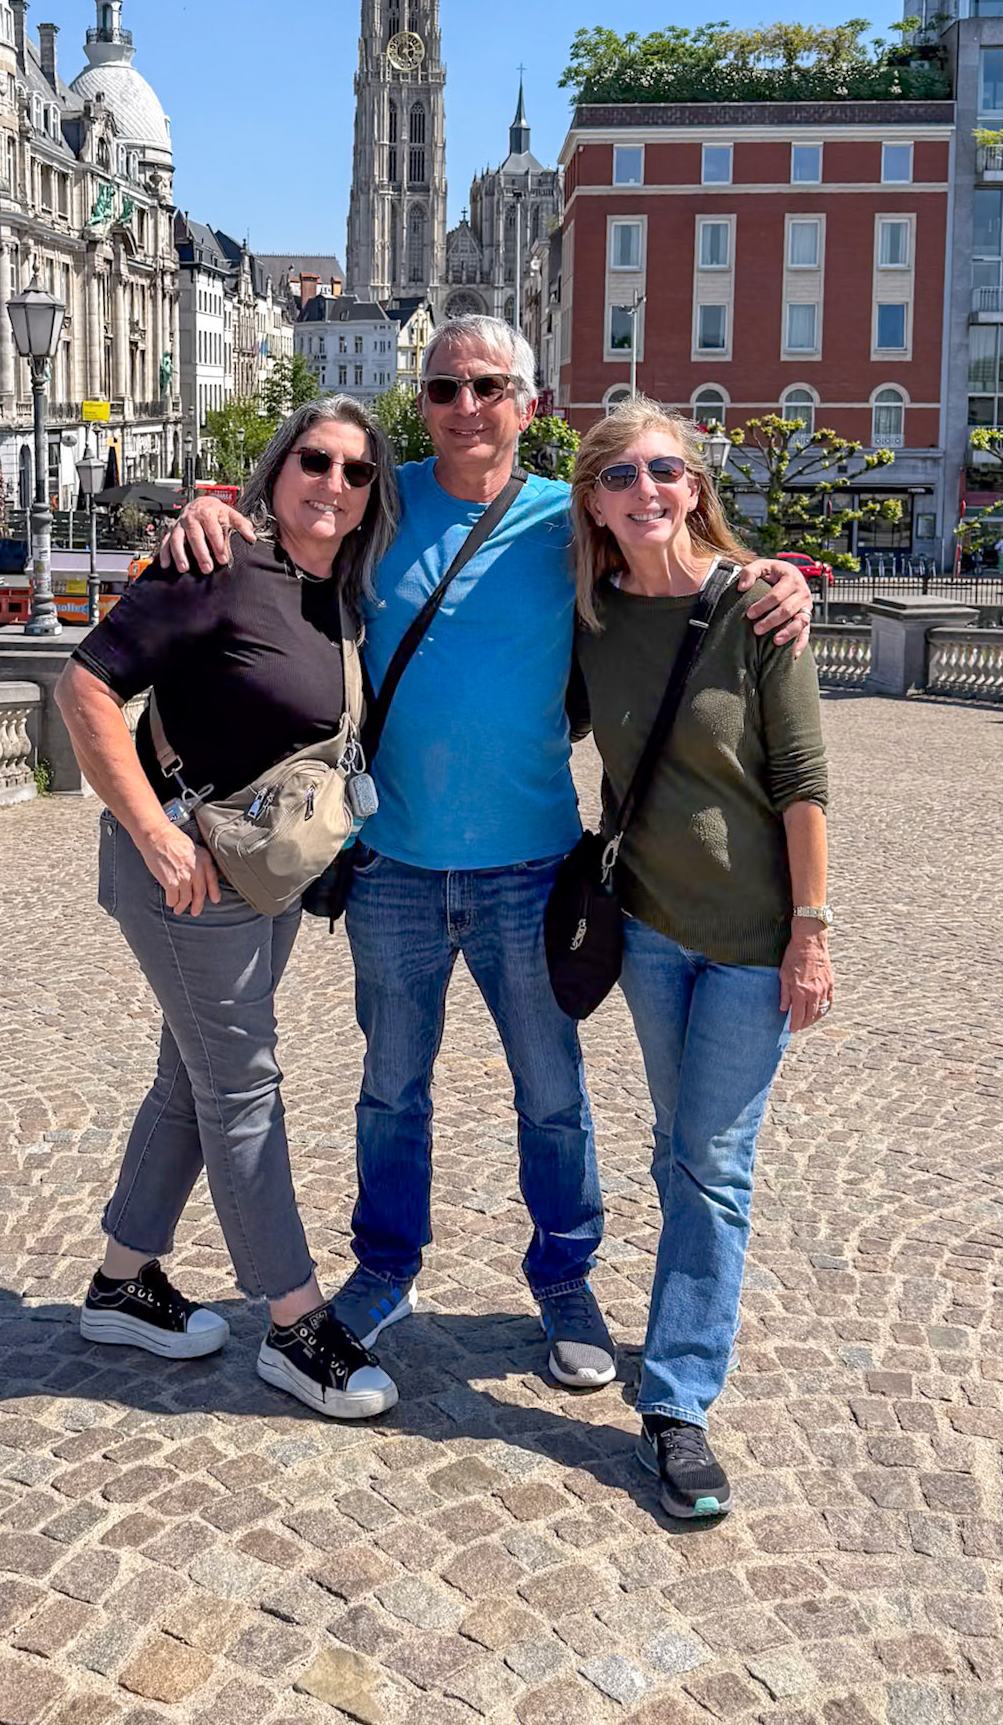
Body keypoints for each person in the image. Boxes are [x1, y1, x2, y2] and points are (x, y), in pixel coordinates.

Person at [165, 318, 814, 1391]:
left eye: (488, 387)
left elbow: (676, 568)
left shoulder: (573, 518)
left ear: (529, 402)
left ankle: (566, 1280)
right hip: (393, 862)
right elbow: (294, 519)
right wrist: (207, 508)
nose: (465, 406)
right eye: (444, 388)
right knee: (390, 1090)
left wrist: (779, 578)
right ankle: (386, 1268)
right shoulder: (383, 498)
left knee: (552, 1094)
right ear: (422, 402)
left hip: (532, 868)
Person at [56, 397, 405, 1420]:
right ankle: (295, 1325)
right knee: (242, 1085)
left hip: (265, 875)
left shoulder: (338, 591)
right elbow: (84, 686)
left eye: (356, 470)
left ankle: (122, 1282)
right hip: (189, 878)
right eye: (315, 460)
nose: (333, 482)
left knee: (191, 1075)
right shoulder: (218, 563)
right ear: (277, 467)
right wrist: (154, 833)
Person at [567, 397, 834, 1520]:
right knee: (682, 1143)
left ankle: (677, 1402)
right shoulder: (589, 617)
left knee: (714, 1163)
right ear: (594, 501)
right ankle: (685, 1320)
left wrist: (811, 930)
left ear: (695, 486)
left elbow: (803, 782)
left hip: (752, 944)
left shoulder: (756, 609)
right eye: (621, 475)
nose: (647, 490)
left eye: (666, 470)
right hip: (647, 931)